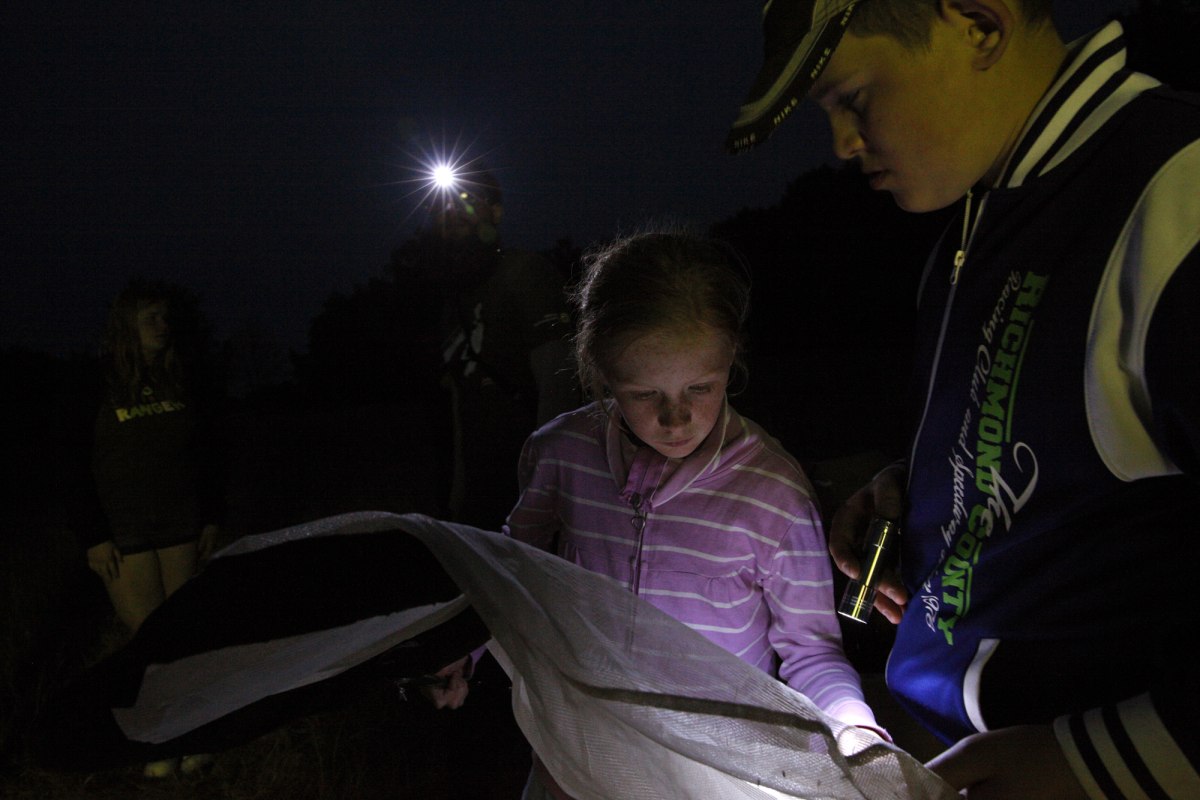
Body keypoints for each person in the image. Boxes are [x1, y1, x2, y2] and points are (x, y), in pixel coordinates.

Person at [726, 1, 1200, 798]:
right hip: (949, 746)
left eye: (855, 98)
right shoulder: (971, 227)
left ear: (979, 22)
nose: (841, 145)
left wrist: (1098, 761)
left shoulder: (1174, 197)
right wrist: (916, 494)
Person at [451, 229, 885, 798]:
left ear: (732, 359)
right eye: (644, 394)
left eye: (700, 388)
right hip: (576, 758)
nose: (676, 419)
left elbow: (809, 650)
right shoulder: (561, 455)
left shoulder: (774, 495)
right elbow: (510, 568)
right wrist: (462, 645)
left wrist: (854, 729)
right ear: (601, 374)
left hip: (714, 774)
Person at [84, 277, 224, 777]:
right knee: (147, 640)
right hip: (125, 534)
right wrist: (92, 535)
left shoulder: (181, 377)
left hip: (181, 525)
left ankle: (196, 736)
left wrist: (210, 514)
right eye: (151, 319)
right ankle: (161, 741)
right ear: (127, 326)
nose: (163, 327)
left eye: (166, 317)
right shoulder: (95, 381)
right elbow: (69, 463)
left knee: (185, 634)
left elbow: (207, 451)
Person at [419, 167, 579, 531]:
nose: (453, 210)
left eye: (467, 198)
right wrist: (458, 500)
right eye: (440, 205)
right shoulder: (451, 306)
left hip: (528, 498)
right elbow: (461, 404)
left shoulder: (525, 273)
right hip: (480, 505)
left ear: (496, 212)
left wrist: (543, 493)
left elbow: (560, 385)